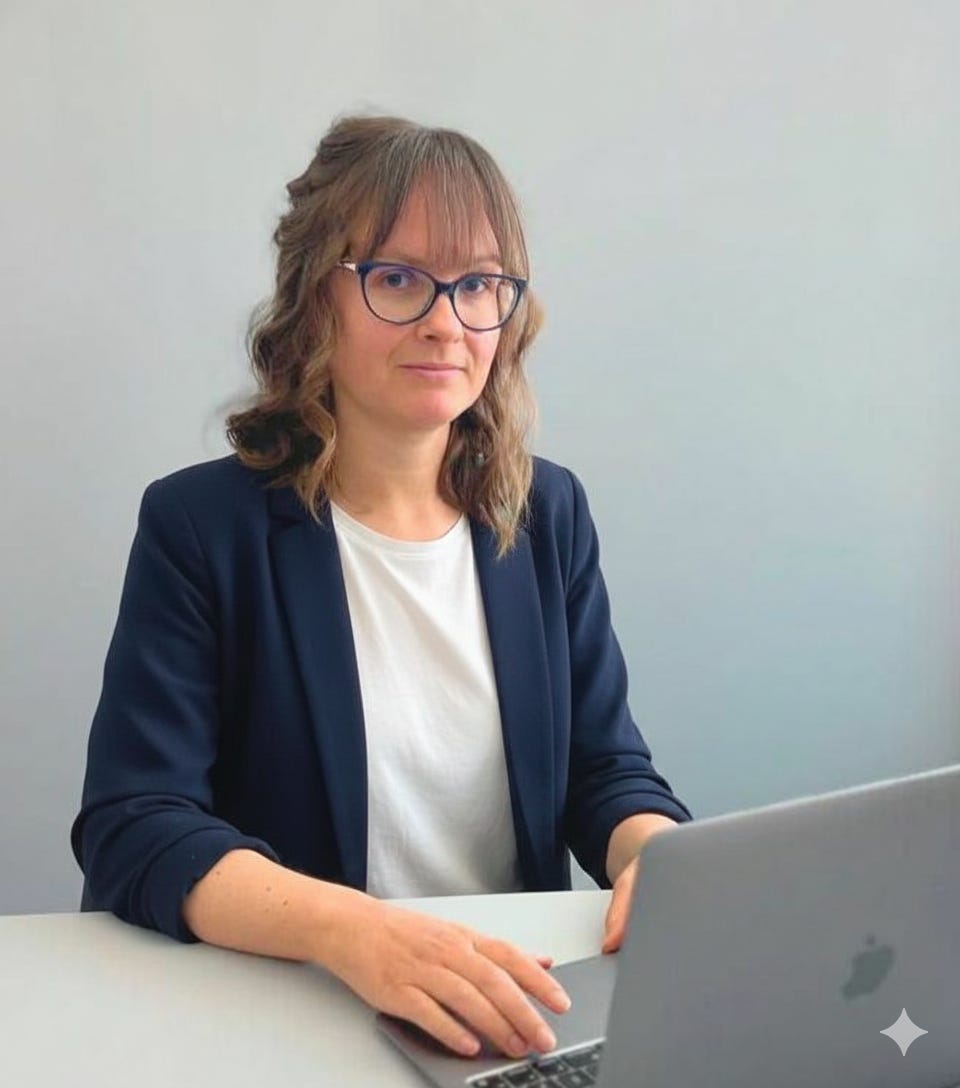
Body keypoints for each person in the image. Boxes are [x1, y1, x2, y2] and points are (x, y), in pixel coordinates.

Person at [71, 113, 691, 1061]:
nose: (447, 321)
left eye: (479, 285)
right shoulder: (202, 527)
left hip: (510, 1011)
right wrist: (356, 933)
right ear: (314, 298)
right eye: (398, 279)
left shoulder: (547, 513)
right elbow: (135, 824)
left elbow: (603, 771)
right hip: (295, 1008)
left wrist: (658, 856)